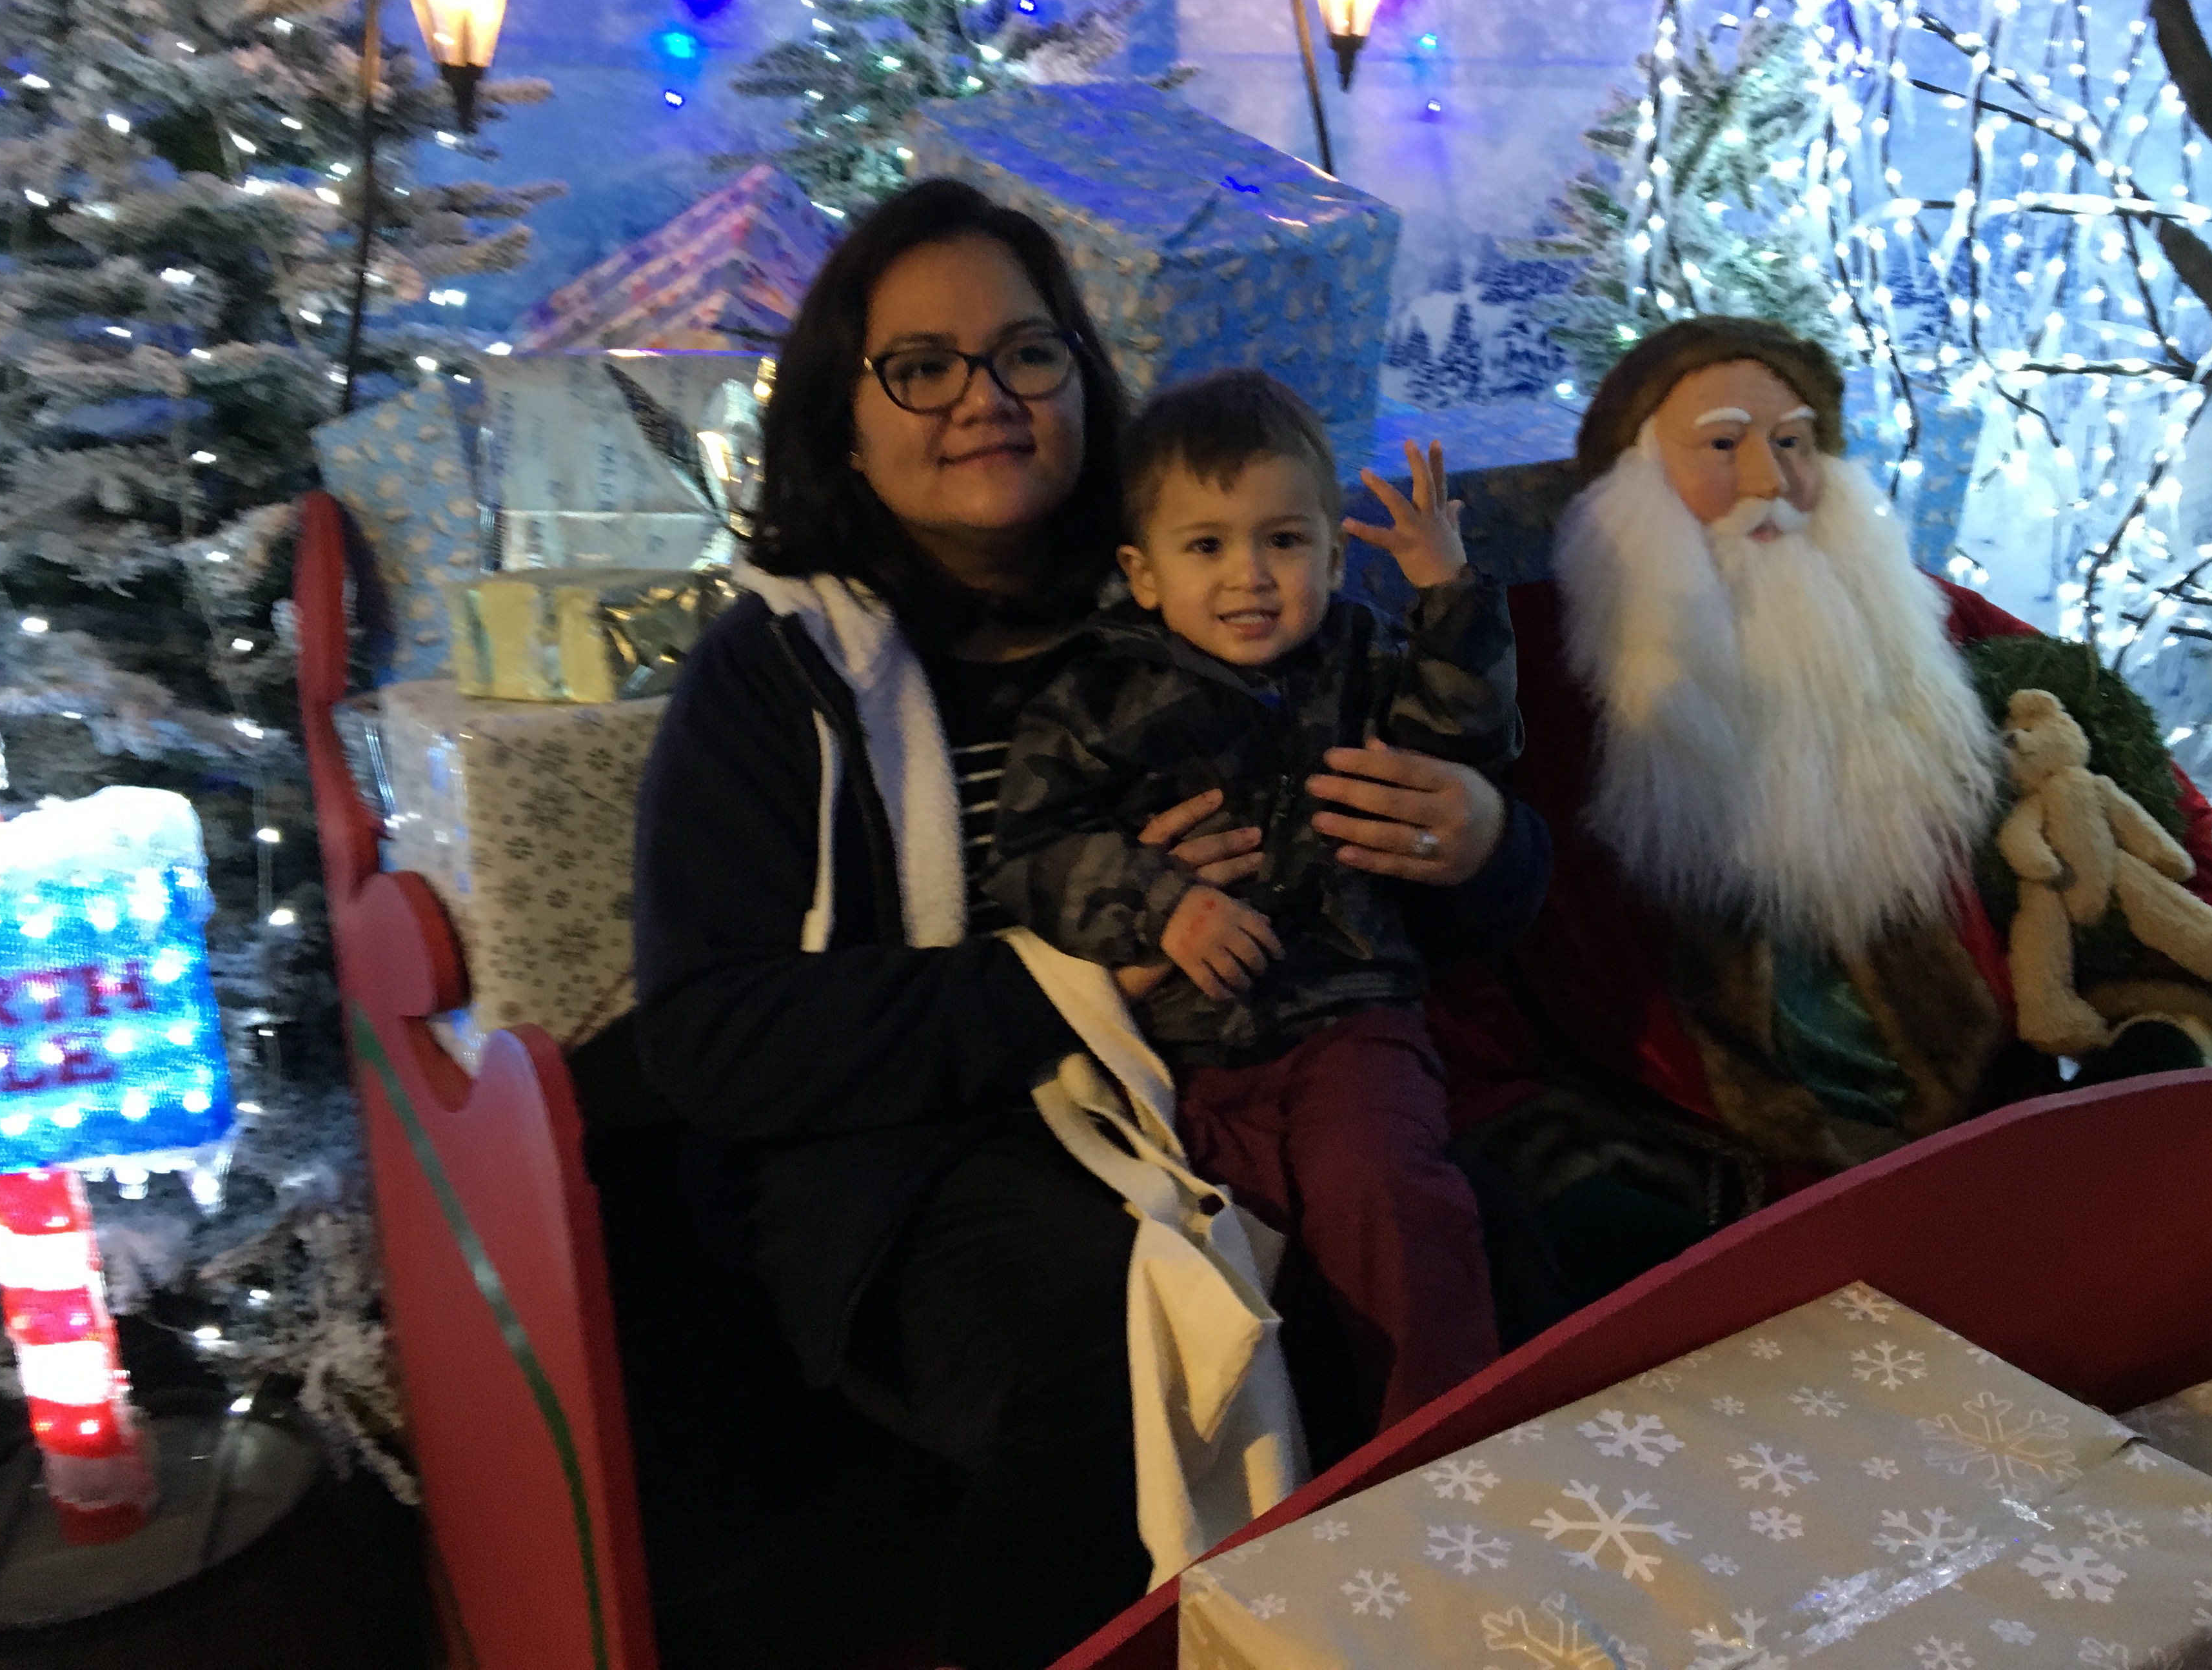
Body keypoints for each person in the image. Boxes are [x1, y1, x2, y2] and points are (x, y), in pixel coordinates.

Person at [628, 178, 1550, 1670]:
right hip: (926, 1148)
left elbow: (1407, 911)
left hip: (1246, 1065)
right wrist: (1068, 974)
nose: (983, 397)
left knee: (1479, 1238)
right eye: (921, 367)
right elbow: (707, 1039)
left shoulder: (1211, 588)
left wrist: (1487, 840)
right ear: (841, 418)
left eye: (1026, 352)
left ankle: (1458, 1617)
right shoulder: (778, 673)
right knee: (1120, 1338)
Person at [1431, 317, 2212, 1224]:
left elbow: (2151, 810)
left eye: (1794, 443)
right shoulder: (1516, 670)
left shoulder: (1936, 631)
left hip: (1986, 1153)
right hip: (1703, 1183)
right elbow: (1433, 949)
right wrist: (1543, 1153)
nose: (1769, 481)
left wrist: (2159, 1021)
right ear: (1632, 477)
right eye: (1722, 445)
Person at [987, 371, 1514, 1431]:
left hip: (1353, 1016)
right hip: (1186, 1052)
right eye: (1207, 545)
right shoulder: (1099, 695)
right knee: (1230, 1259)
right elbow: (1032, 856)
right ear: (1142, 574)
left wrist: (1449, 595)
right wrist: (1158, 904)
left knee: (1389, 1198)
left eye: (1283, 540)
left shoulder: (1363, 659)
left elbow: (1462, 744)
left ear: (1332, 556)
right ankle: (1280, 1479)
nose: (1252, 577)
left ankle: (1446, 1441)